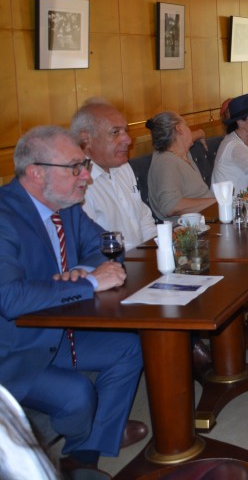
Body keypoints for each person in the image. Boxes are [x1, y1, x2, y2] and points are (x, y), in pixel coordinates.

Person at [0, 126, 146, 476]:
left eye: (85, 166)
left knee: (128, 347)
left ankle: (85, 454)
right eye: (75, 168)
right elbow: (9, 298)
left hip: (57, 332)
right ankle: (86, 436)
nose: (86, 177)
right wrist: (90, 282)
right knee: (77, 394)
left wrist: (83, 270)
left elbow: (106, 246)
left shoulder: (66, 207)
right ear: (36, 173)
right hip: (13, 350)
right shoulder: (4, 218)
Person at [71, 100, 156, 250]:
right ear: (86, 141)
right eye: (115, 132)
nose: (128, 140)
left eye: (125, 131)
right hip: (111, 261)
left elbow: (143, 218)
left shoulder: (123, 166)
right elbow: (90, 244)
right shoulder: (76, 182)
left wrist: (159, 249)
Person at [145, 112, 214, 222]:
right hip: (189, 228)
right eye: (186, 125)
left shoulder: (180, 150)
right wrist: (216, 202)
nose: (189, 130)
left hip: (208, 219)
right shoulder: (166, 162)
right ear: (179, 129)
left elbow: (188, 137)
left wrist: (201, 133)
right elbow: (170, 206)